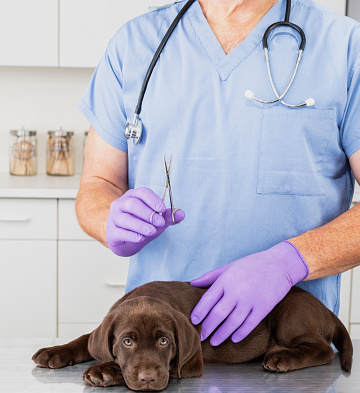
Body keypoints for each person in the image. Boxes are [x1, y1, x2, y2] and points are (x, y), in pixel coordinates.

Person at [77, 0, 360, 347]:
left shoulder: (345, 47)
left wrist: (290, 262)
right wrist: (108, 219)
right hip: (156, 356)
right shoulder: (135, 43)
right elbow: (98, 184)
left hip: (289, 347)